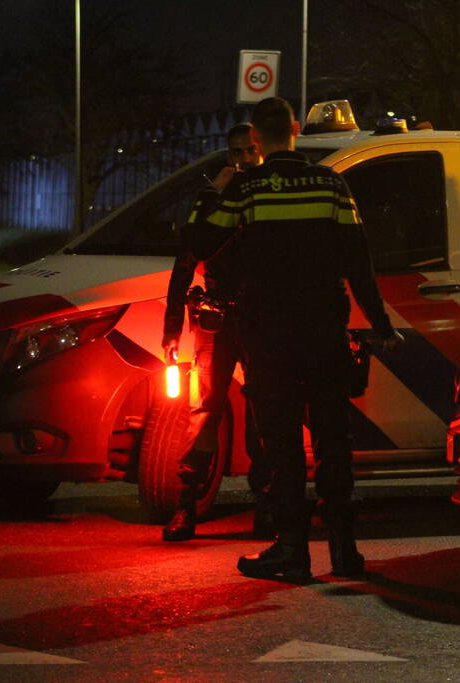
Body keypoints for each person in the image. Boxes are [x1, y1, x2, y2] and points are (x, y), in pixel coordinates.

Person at [187, 97, 403, 582]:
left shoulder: (249, 187)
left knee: (282, 443)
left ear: (257, 141)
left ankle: (291, 549)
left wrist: (213, 194)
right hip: (324, 331)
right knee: (332, 440)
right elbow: (357, 262)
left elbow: (202, 244)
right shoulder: (331, 184)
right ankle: (345, 551)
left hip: (269, 337)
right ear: (294, 131)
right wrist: (382, 325)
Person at [160, 123, 266, 543]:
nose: (242, 160)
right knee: (203, 412)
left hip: (260, 319)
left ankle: (268, 508)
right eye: (236, 152)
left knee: (264, 414)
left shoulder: (270, 191)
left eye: (250, 151)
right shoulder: (215, 195)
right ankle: (184, 507)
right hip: (217, 319)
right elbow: (186, 257)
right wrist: (171, 327)